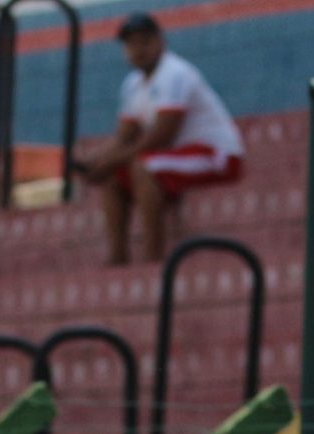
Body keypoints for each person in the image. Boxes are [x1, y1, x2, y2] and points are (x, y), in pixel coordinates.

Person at [77, 14, 247, 266]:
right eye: (131, 44)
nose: (138, 50)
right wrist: (94, 162)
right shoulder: (132, 84)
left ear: (160, 42)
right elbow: (124, 136)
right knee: (115, 176)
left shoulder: (175, 73)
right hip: (177, 157)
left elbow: (161, 135)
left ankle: (153, 259)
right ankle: (117, 258)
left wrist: (110, 160)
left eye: (144, 42)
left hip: (218, 156)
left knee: (142, 167)